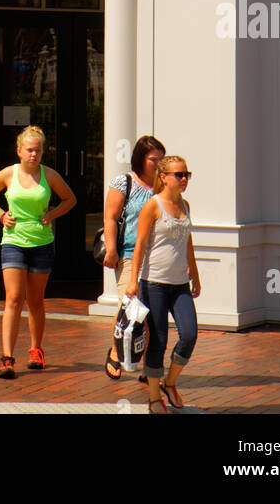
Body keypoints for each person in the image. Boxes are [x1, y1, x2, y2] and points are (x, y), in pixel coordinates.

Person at [0, 125, 76, 378]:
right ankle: (7, 357)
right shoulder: (8, 174)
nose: (34, 154)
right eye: (30, 150)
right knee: (13, 298)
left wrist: (52, 214)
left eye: (39, 150)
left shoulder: (49, 175)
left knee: (35, 301)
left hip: (42, 243)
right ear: (19, 151)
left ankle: (36, 350)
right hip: (13, 241)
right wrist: (1, 214)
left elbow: (70, 199)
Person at [126, 154, 201, 413]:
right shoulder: (153, 206)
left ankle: (170, 383)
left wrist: (196, 274)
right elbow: (140, 245)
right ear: (163, 177)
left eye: (186, 175)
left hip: (180, 283)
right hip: (154, 282)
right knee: (158, 340)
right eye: (178, 175)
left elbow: (187, 241)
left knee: (189, 334)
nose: (183, 179)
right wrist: (132, 281)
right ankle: (154, 398)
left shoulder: (186, 205)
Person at [103, 134, 166, 380]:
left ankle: (147, 365)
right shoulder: (124, 182)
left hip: (158, 257)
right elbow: (110, 217)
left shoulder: (164, 185)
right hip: (129, 254)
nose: (158, 165)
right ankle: (116, 354)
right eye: (153, 159)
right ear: (140, 159)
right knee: (128, 307)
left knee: (152, 312)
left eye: (161, 159)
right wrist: (111, 249)